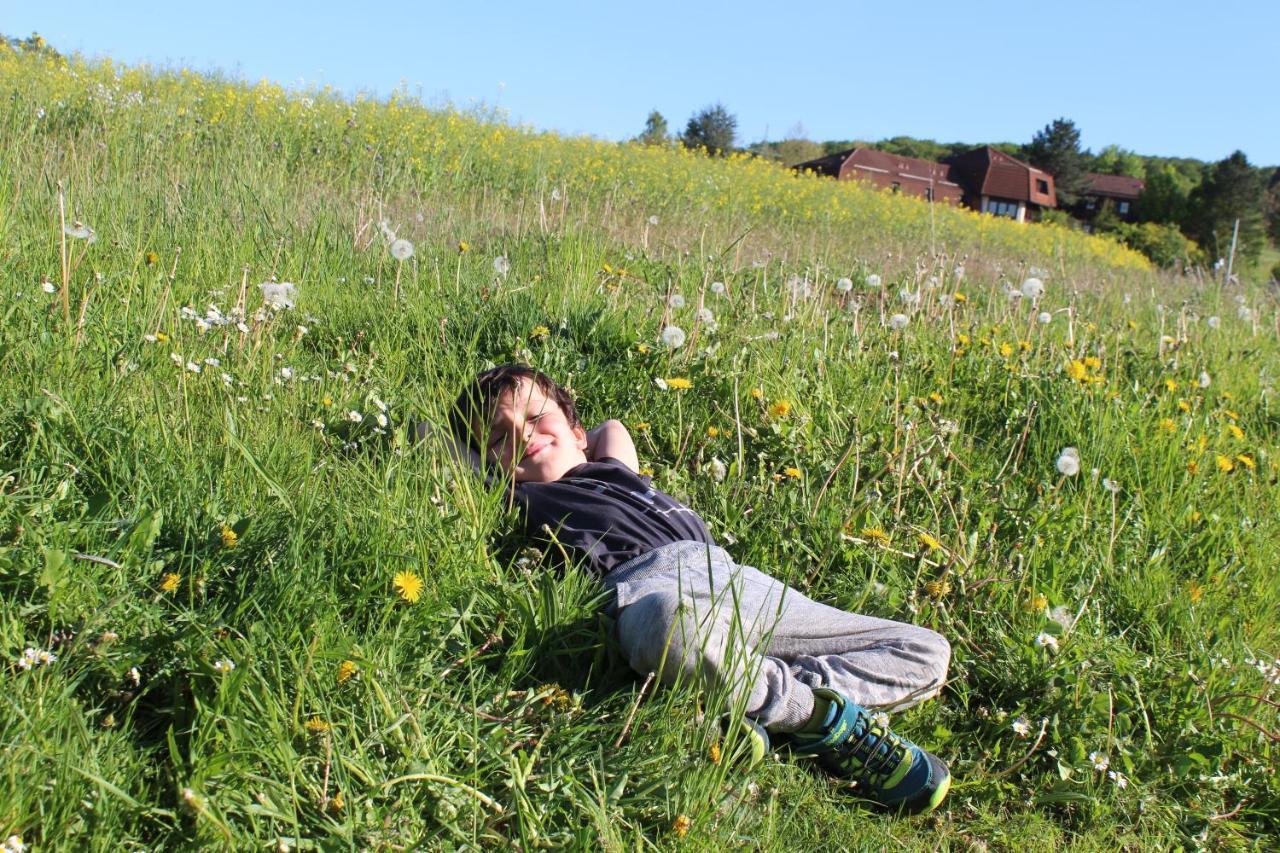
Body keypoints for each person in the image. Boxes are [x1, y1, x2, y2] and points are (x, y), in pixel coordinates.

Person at [444, 364, 953, 813]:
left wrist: (570, 434)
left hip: (741, 584)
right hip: (647, 589)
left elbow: (611, 427)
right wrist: (502, 446)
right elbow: (433, 441)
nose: (521, 436)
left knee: (926, 649)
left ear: (578, 433)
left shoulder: (617, 469)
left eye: (535, 418)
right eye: (497, 436)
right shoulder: (520, 495)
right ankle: (811, 715)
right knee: (673, 629)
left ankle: (747, 697)